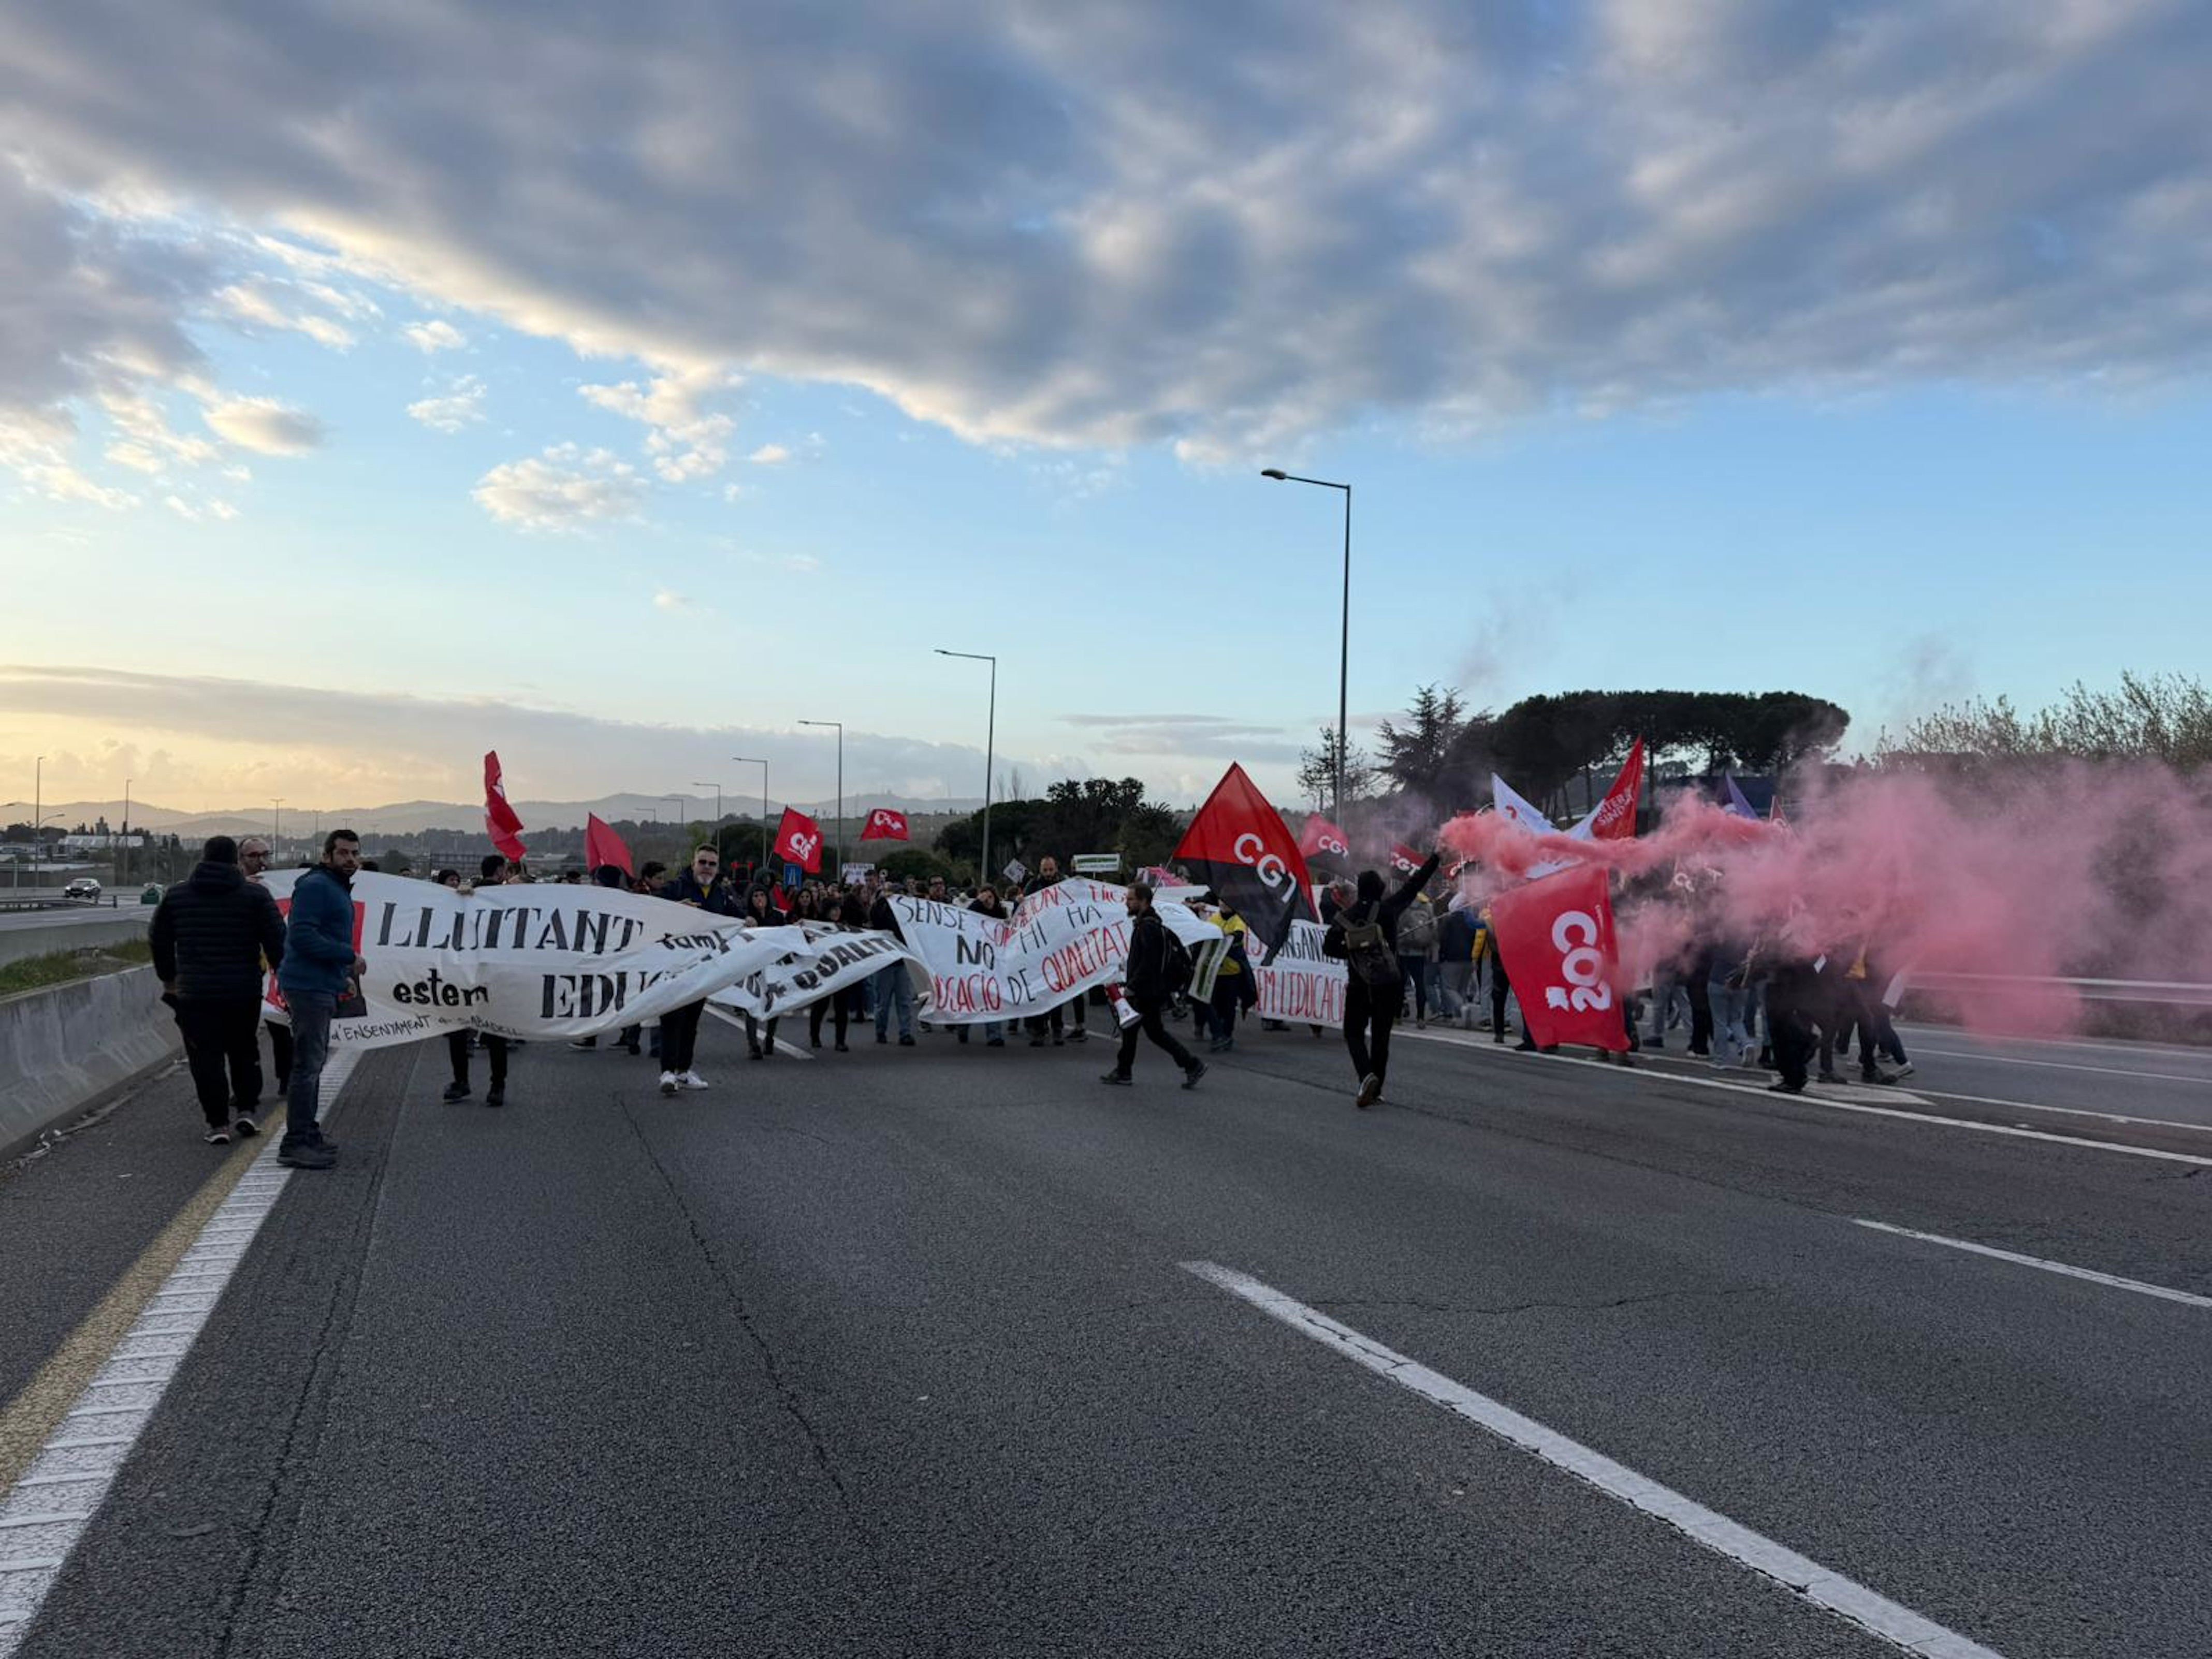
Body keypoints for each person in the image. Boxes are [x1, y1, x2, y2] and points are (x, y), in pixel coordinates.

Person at [150, 835, 288, 1144]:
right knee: (244, 1050)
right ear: (235, 860)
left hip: (195, 993)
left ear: (204, 857)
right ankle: (247, 1110)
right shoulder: (255, 896)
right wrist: (285, 981)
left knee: (205, 1058)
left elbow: (159, 940)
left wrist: (169, 978)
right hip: (243, 990)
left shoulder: (177, 895)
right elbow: (278, 941)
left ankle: (217, 1124)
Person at [273, 828, 364, 1169]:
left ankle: (308, 1133)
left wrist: (341, 979)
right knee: (307, 1067)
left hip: (320, 984)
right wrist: (349, 958)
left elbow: (322, 937)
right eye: (343, 853)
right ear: (327, 856)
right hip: (307, 988)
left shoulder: (333, 887)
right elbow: (302, 937)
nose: (350, 859)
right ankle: (295, 1142)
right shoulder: (317, 886)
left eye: (355, 853)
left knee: (313, 1065)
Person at [1324, 849, 1441, 1109]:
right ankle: (1376, 1091)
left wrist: (1352, 950)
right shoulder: (1389, 909)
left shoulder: (1345, 917)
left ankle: (1366, 1076)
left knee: (1353, 1033)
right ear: (1380, 890)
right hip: (1389, 985)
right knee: (1381, 1038)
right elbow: (1415, 884)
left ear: (1359, 890)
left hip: (1359, 984)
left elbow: (1328, 948)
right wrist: (1436, 857)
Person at [1099, 882, 1205, 1090]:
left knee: (1139, 1030)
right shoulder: (1148, 924)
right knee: (1149, 1032)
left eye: (1131, 899)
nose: (1127, 903)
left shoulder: (1148, 927)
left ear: (1144, 901)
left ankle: (1126, 1071)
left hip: (1145, 991)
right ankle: (1190, 1064)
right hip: (1148, 990)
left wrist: (1132, 986)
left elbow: (1149, 962)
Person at [654, 845, 735, 1094]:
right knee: (672, 1019)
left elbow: (740, 918)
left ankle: (683, 1071)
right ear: (693, 864)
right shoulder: (675, 888)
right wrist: (676, 908)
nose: (707, 868)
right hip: (674, 968)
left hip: (702, 970)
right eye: (703, 862)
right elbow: (650, 910)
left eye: (712, 864)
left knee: (691, 1022)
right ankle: (667, 1072)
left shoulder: (721, 895)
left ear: (717, 868)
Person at [445, 854, 513, 1105]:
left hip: (465, 970)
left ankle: (461, 1081)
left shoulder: (468, 894)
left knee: (458, 1030)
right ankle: (497, 1086)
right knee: (496, 1033)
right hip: (494, 971)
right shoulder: (508, 897)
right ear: (500, 871)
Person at [237, 836, 291, 1095]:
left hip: (273, 967)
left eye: (265, 855)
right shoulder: (233, 889)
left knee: (281, 1026)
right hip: (244, 970)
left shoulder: (278, 885)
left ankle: (287, 1078)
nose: (261, 860)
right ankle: (245, 1089)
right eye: (254, 856)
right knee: (241, 1035)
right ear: (241, 859)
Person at [570, 865, 644, 1053]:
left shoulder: (599, 901)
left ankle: (590, 1036)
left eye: (595, 880)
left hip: (602, 955)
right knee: (623, 996)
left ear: (600, 882)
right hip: (623, 956)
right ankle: (629, 1036)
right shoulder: (628, 900)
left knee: (592, 995)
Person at [1023, 856, 1088, 1045]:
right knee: (1040, 988)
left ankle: (1057, 1029)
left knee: (1056, 989)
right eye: (1045, 870)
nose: (1049, 874)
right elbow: (1024, 908)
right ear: (1040, 871)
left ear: (1056, 869)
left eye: (1051, 870)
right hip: (1039, 945)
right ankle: (1039, 1030)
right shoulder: (1033, 886)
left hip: (1060, 944)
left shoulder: (1066, 884)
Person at [868, 880, 918, 1045]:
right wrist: (883, 900)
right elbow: (875, 918)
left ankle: (906, 1033)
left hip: (903, 961)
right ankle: (880, 1031)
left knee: (905, 1001)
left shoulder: (908, 913)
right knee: (883, 1002)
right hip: (885, 961)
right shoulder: (883, 909)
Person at [741, 883, 787, 1059]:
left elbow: (785, 935)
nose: (759, 899)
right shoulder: (746, 917)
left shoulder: (777, 916)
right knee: (751, 1004)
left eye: (762, 895)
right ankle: (753, 1045)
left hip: (773, 966)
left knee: (774, 1002)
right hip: (753, 966)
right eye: (756, 896)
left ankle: (770, 1038)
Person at [961, 885, 1009, 1047]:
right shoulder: (975, 912)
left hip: (993, 964)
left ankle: (994, 1035)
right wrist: (977, 903)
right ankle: (963, 1027)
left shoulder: (1000, 914)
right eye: (984, 898)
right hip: (974, 961)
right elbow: (966, 920)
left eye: (990, 898)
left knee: (992, 996)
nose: (988, 901)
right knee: (972, 996)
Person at [1205, 892, 1251, 1053]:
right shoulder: (1213, 919)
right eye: (1222, 901)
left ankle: (1227, 1035)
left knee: (1229, 1007)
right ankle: (1218, 1034)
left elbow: (1238, 935)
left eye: (1227, 901)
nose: (1224, 904)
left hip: (1232, 972)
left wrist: (1221, 936)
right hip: (1215, 972)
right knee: (1213, 1005)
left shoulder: (1238, 919)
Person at [1395, 886, 1438, 1028]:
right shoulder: (1427, 906)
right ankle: (1421, 1018)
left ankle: (1397, 1016)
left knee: (1400, 984)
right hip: (1420, 951)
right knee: (1420, 984)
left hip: (1403, 950)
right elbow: (1434, 928)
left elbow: (1396, 926)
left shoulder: (1402, 904)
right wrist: (1431, 949)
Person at [1436, 896, 1478, 1028]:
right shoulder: (1470, 920)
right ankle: (1459, 1018)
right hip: (1467, 958)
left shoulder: (1448, 920)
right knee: (1462, 989)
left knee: (1449, 988)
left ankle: (1462, 1007)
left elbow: (1443, 940)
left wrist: (1442, 956)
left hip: (1451, 959)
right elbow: (1474, 939)